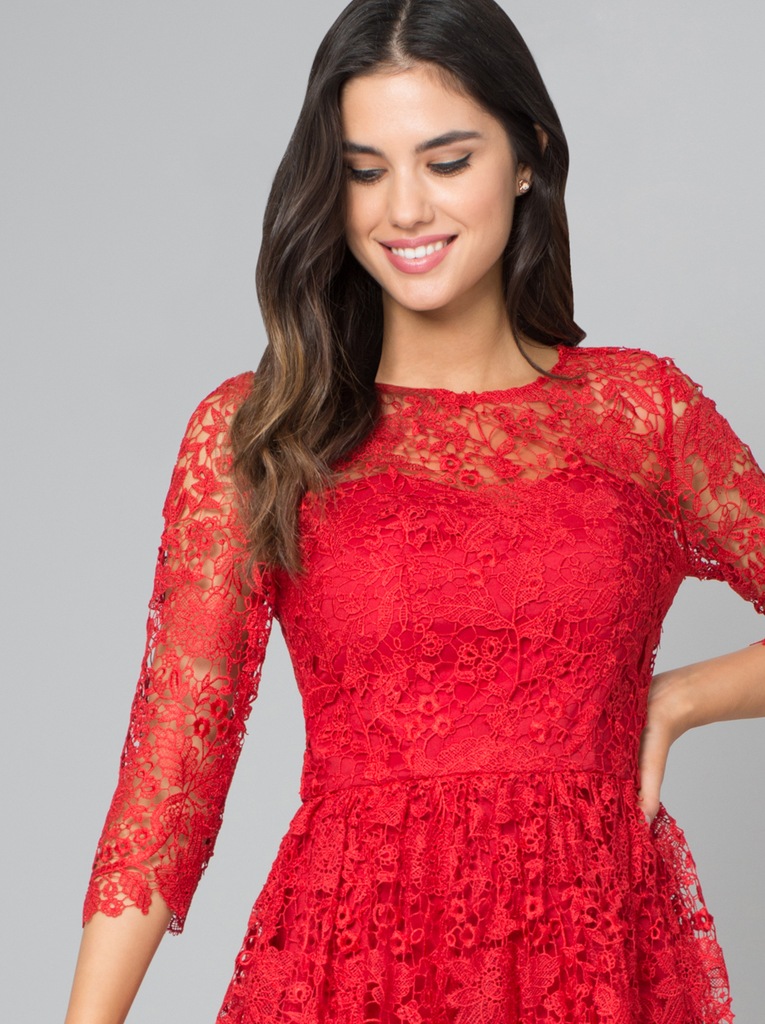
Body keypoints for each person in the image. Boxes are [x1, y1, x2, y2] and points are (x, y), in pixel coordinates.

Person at [64, 0, 765, 1021]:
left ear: (527, 157)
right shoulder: (259, 434)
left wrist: (681, 697)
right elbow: (168, 788)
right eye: (364, 170)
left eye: (447, 161)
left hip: (597, 963)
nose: (403, 209)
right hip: (351, 970)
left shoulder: (639, 416)